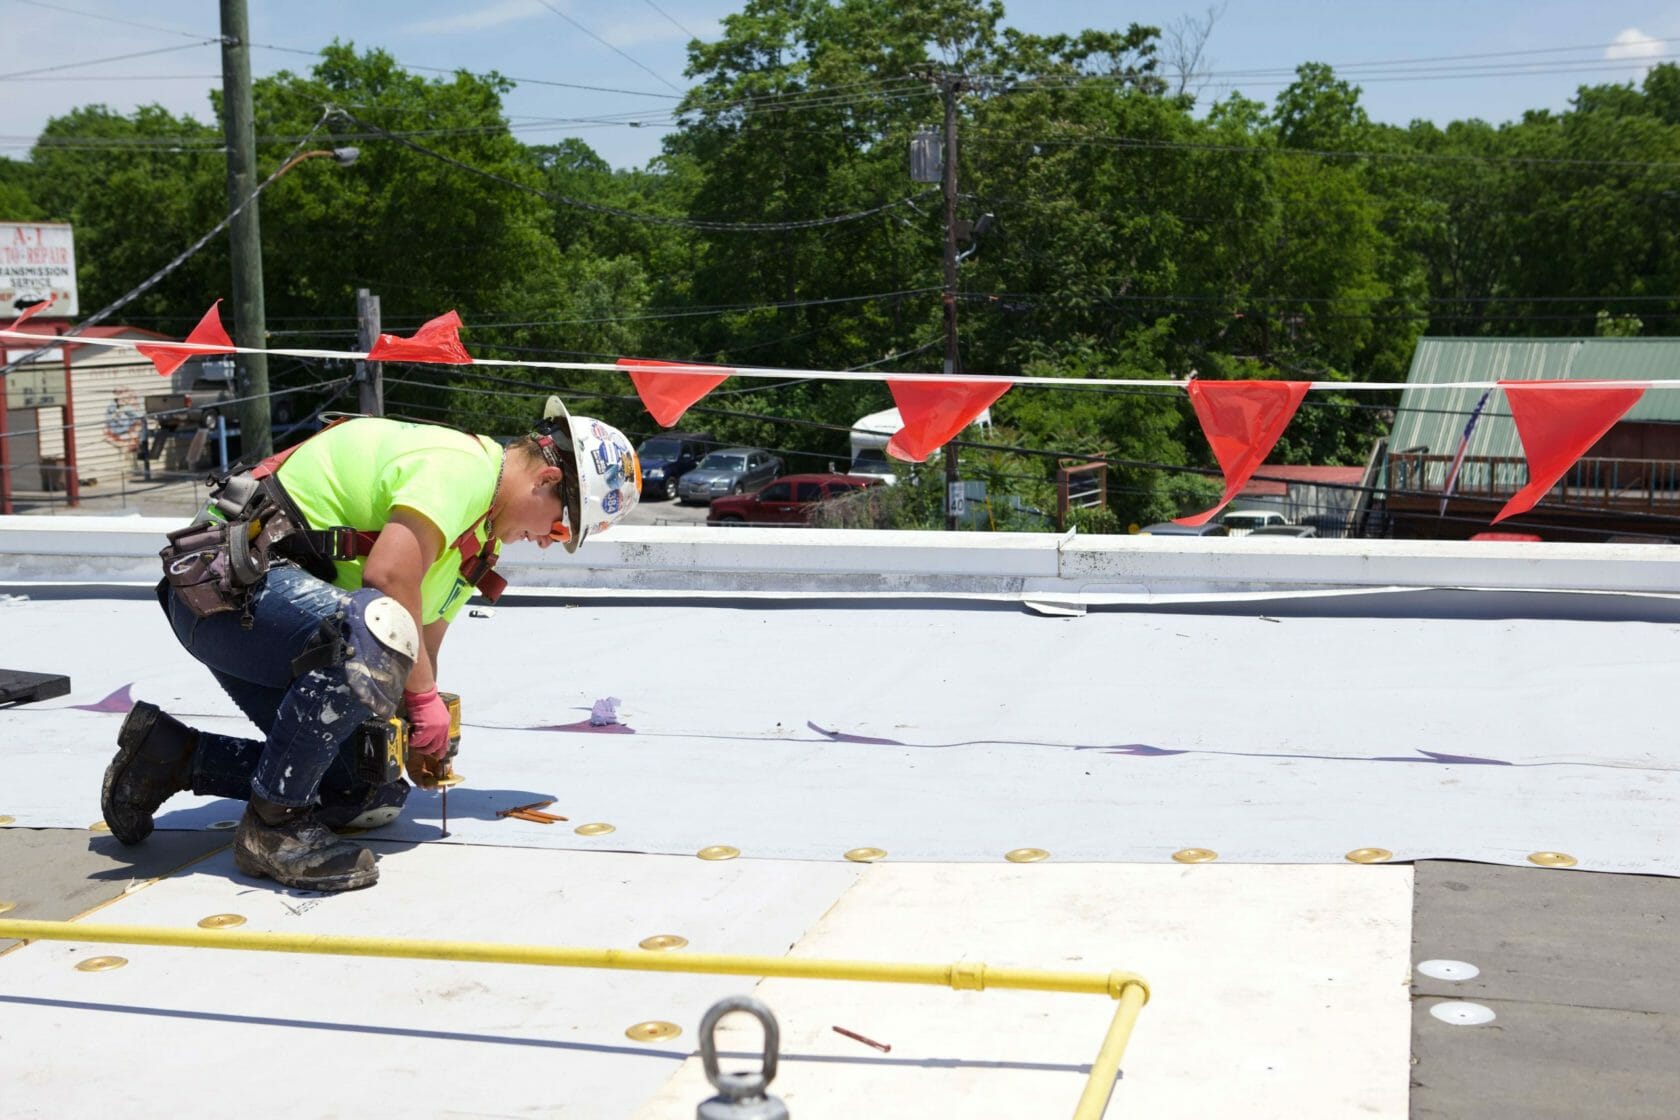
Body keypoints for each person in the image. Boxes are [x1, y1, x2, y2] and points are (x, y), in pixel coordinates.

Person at [99, 397, 640, 892]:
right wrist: (421, 699)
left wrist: (420, 726)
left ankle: (170, 757)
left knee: (363, 785)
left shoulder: (478, 541)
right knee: (376, 635)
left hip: (264, 619)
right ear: (546, 480)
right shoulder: (462, 468)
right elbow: (387, 581)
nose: (550, 539)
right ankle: (273, 829)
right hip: (225, 594)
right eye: (564, 526)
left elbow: (423, 634)